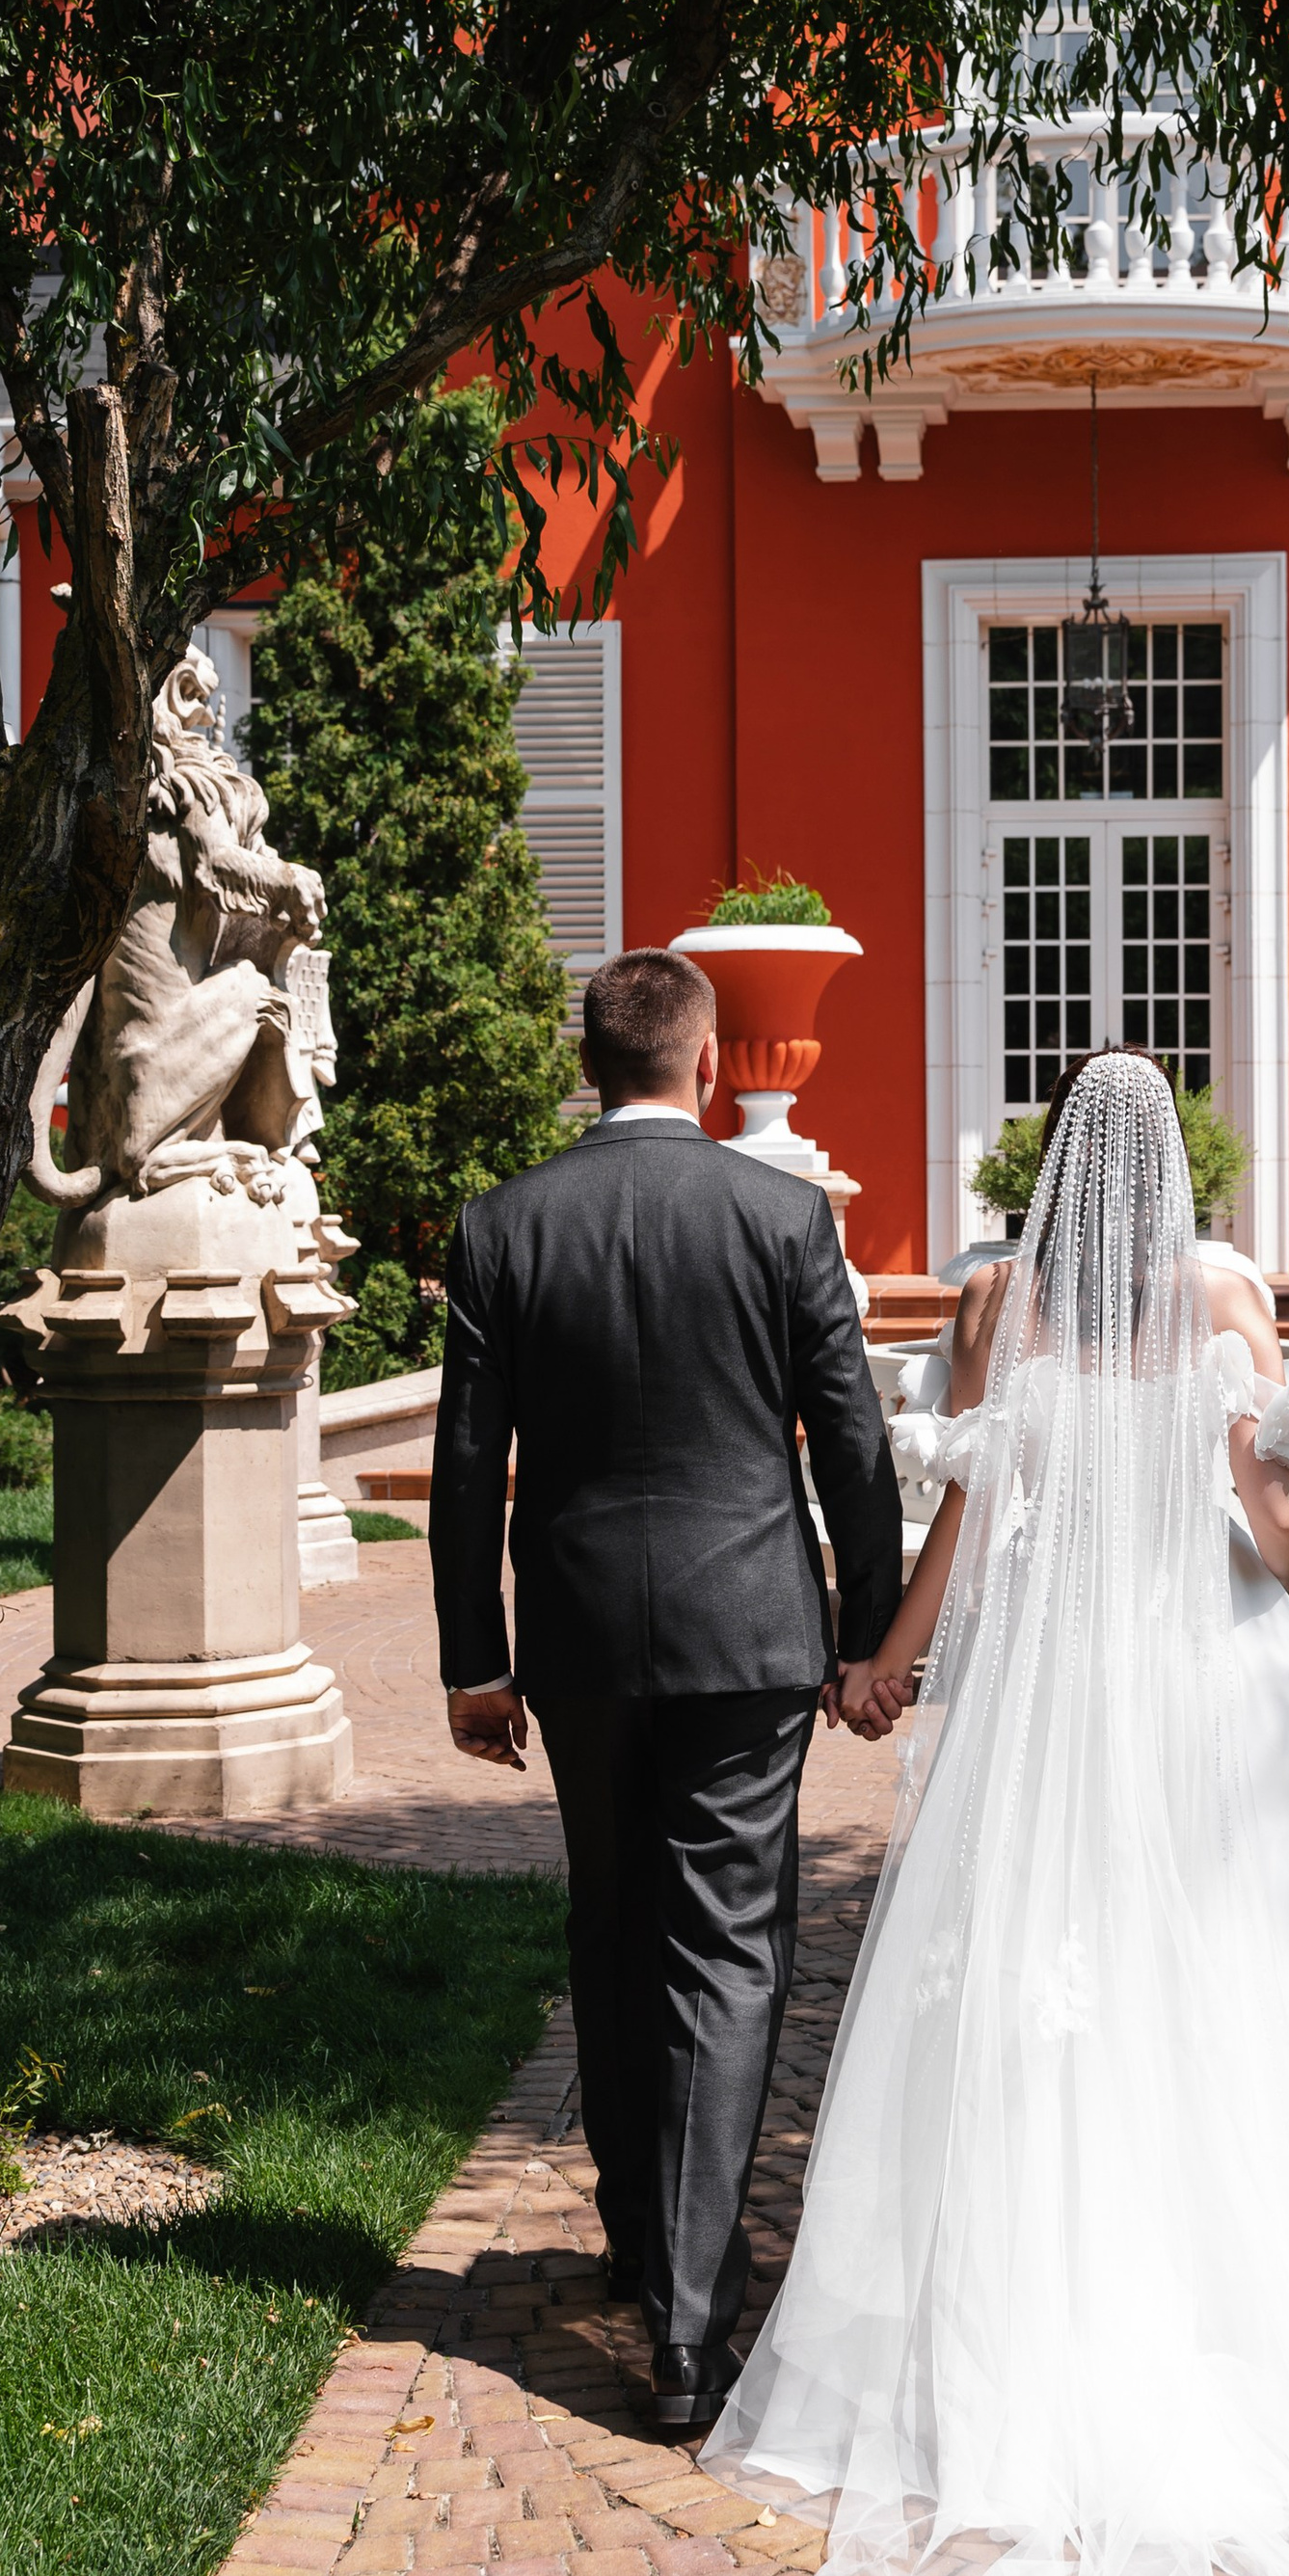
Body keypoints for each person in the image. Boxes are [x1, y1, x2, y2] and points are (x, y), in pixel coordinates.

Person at [704, 1044, 1289, 2576]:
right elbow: (1281, 1545)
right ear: (1172, 1183)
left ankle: (1025, 2324)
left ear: (1056, 1181)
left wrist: (882, 1666)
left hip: (1052, 1685)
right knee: (1218, 1975)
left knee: (1030, 1972)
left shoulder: (1001, 1314)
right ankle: (1214, 2301)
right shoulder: (1226, 1310)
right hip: (1201, 1681)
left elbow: (964, 1526)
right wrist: (1269, 1468)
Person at [430, 946, 901, 2435]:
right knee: (726, 1948)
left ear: (590, 1066)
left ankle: (643, 2241)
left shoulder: (505, 1224)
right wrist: (869, 1631)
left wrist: (474, 1657)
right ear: (705, 1064)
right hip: (750, 1633)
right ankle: (690, 2328)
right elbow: (852, 1439)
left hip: (577, 1639)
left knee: (613, 1920)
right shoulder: (784, 1218)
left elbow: (466, 1463)